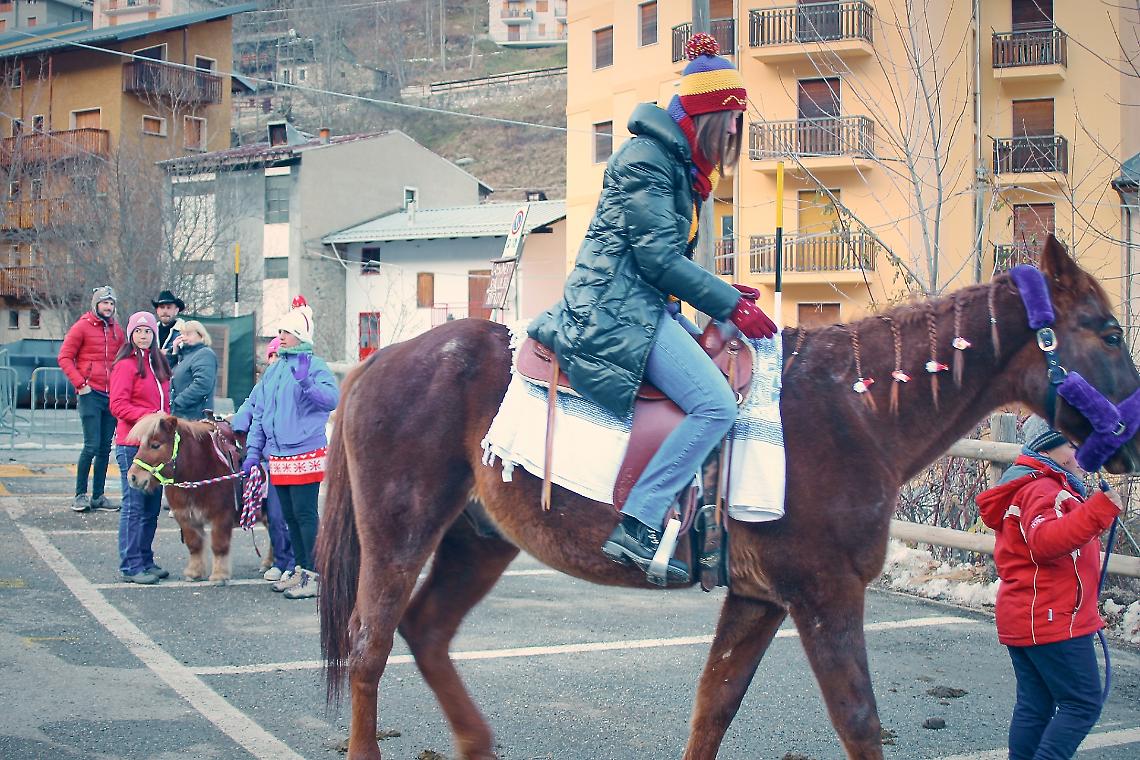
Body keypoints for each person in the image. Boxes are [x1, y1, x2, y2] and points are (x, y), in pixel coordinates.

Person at [528, 34, 776, 584]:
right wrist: (728, 302)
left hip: (641, 302)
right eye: (731, 120)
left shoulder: (679, 166)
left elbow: (662, 260)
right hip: (615, 309)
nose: (735, 131)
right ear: (706, 117)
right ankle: (639, 522)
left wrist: (723, 292)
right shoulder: (649, 160)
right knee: (716, 406)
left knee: (722, 376)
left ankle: (704, 530)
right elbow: (658, 260)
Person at [976, 416, 1122, 760]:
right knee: (1083, 703)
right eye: (1073, 445)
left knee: (1035, 705)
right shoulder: (1043, 490)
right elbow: (1045, 541)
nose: (1082, 453)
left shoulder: (1041, 485)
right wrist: (1099, 510)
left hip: (1029, 616)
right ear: (1047, 449)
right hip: (1051, 618)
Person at [241, 303, 338, 599]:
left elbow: (331, 399)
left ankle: (315, 574)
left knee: (305, 514)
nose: (281, 336)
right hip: (278, 456)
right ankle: (300, 568)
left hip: (305, 453)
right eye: (280, 331)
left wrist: (306, 382)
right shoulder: (274, 370)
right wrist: (253, 452)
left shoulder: (315, 365)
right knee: (289, 517)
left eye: (287, 331)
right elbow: (259, 412)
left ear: (301, 335)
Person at [110, 312, 172, 585]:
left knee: (151, 507)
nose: (143, 336)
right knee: (134, 506)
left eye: (148, 331)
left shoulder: (158, 364)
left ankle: (145, 559)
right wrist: (150, 417)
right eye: (138, 331)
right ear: (131, 335)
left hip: (155, 448)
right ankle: (130, 564)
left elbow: (165, 403)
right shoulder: (125, 365)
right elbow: (118, 405)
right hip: (132, 445)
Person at [231, 336, 295, 582]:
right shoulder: (263, 385)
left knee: (294, 516)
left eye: (279, 354)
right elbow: (250, 406)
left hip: (293, 459)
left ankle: (297, 562)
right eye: (272, 355)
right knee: (274, 516)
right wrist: (238, 423)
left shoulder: (294, 382)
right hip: (269, 463)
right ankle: (281, 560)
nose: (275, 359)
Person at [58, 285, 127, 513]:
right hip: (90, 394)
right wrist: (81, 384)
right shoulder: (82, 327)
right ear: (96, 304)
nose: (108, 307)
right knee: (91, 446)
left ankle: (98, 496)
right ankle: (80, 495)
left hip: (111, 395)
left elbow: (125, 358)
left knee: (105, 448)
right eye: (104, 302)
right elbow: (65, 357)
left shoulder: (117, 330)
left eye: (111, 303)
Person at [170, 320, 218, 421]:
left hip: (195, 416)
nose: (184, 337)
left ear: (201, 335)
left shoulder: (204, 354)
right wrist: (174, 352)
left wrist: (178, 402)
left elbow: (202, 384)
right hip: (182, 414)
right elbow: (167, 374)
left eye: (188, 334)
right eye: (182, 334)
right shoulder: (184, 355)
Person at [152, 290, 185, 367]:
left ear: (176, 310)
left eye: (169, 307)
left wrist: (168, 352)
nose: (165, 311)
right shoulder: (151, 331)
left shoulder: (184, 331)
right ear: (157, 311)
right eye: (162, 307)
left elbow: (185, 353)